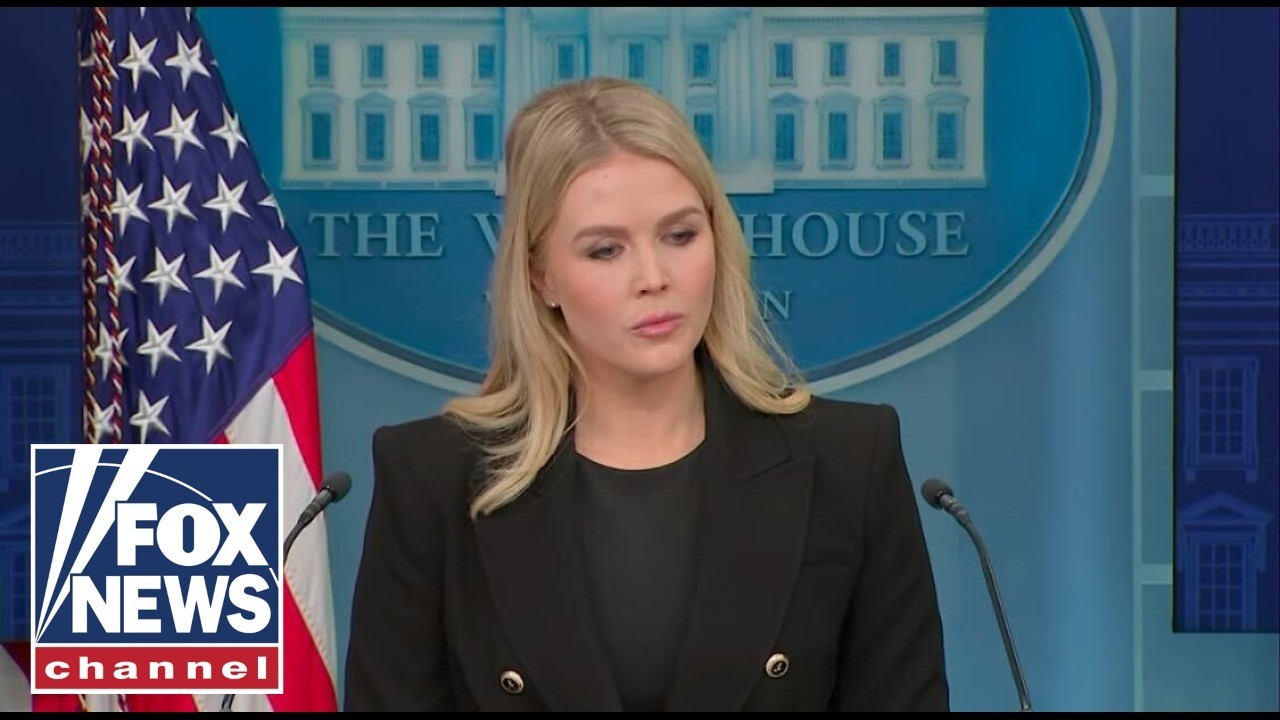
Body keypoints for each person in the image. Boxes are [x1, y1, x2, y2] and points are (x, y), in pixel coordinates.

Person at [343, 76, 950, 712]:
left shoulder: (851, 461)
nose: (654, 278)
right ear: (541, 276)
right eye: (606, 250)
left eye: (680, 236)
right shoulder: (431, 479)